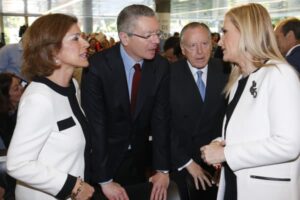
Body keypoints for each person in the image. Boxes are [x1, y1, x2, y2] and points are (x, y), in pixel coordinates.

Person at [200, 3, 300, 200]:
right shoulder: (238, 81)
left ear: (245, 33)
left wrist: (225, 154)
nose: (219, 42)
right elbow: (251, 133)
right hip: (236, 186)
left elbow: (289, 144)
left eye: (225, 32)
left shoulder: (280, 75)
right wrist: (220, 144)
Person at [81, 4, 170, 200]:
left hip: (139, 160)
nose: (156, 41)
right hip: (103, 160)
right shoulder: (97, 67)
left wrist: (163, 169)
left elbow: (161, 119)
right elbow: (96, 126)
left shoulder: (160, 66)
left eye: (158, 33)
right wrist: (105, 180)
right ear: (124, 37)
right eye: (148, 36)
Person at [6, 13, 95, 200]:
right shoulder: (39, 98)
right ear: (52, 52)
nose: (86, 44)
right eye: (75, 38)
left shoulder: (73, 86)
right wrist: (73, 186)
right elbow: (17, 164)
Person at [170, 22, 229, 200]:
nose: (200, 52)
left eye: (204, 44)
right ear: (182, 48)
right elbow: (163, 125)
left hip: (220, 162)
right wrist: (187, 163)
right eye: (192, 45)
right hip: (182, 162)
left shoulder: (227, 70)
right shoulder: (168, 75)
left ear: (212, 44)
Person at [0, 72, 24, 200]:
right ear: (5, 95)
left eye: (20, 84)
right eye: (16, 88)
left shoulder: (20, 108)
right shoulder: (3, 118)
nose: (22, 88)